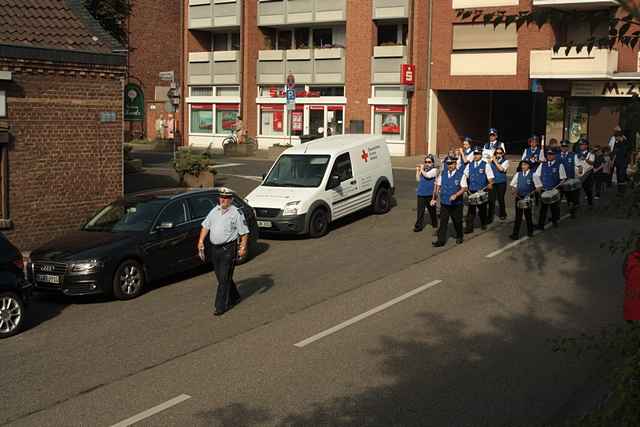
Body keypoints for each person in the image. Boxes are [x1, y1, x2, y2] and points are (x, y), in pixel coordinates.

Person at [197, 188, 250, 316]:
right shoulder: (214, 210)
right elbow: (205, 226)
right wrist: (200, 241)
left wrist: (243, 248)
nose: (223, 200)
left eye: (226, 198)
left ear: (231, 200)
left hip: (228, 249)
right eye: (221, 198)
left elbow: (244, 232)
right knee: (221, 277)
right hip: (215, 249)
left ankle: (220, 306)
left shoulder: (236, 213)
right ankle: (235, 296)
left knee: (223, 279)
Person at [432, 157, 467, 247]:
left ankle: (459, 236)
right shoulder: (443, 174)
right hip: (444, 203)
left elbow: (464, 188)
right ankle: (441, 240)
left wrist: (456, 195)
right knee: (443, 222)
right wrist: (434, 198)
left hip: (456, 204)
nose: (450, 166)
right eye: (448, 164)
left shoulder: (461, 175)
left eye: (452, 164)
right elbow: (438, 187)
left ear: (455, 164)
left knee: (457, 221)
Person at [535, 149, 567, 229]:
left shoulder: (559, 165)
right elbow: (536, 175)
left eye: (551, 154)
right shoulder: (543, 165)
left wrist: (556, 189)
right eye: (548, 154)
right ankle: (541, 225)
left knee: (554, 208)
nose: (549, 156)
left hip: (554, 191)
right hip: (544, 190)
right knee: (543, 209)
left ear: (555, 155)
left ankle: (554, 221)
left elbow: (563, 179)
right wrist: (538, 186)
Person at [464, 148, 494, 233]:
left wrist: (490, 183)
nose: (476, 155)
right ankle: (469, 228)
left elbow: (490, 177)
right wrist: (465, 185)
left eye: (478, 154)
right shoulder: (469, 165)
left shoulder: (486, 165)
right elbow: (465, 175)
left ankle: (483, 223)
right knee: (471, 210)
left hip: (481, 191)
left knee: (482, 209)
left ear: (481, 155)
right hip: (471, 190)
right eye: (475, 154)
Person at [509, 160, 536, 240]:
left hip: (528, 197)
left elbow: (539, 187)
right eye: (522, 165)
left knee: (528, 215)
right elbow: (512, 184)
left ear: (529, 166)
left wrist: (531, 194)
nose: (523, 166)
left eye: (525, 165)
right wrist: (514, 190)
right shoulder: (518, 174)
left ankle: (530, 232)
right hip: (519, 197)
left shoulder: (533, 175)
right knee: (518, 216)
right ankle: (515, 234)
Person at [414, 154, 439, 233]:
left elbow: (427, 176)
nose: (427, 163)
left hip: (430, 194)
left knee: (432, 210)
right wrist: (418, 170)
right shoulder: (423, 169)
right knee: (420, 211)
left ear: (432, 163)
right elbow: (418, 179)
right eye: (426, 162)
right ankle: (418, 226)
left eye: (429, 162)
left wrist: (421, 169)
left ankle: (434, 222)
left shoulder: (434, 170)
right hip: (421, 193)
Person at [559, 140, 580, 218]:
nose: (564, 148)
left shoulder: (573, 155)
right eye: (562, 147)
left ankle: (572, 212)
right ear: (560, 147)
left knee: (570, 199)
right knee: (558, 199)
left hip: (569, 180)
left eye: (565, 147)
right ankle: (555, 216)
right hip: (559, 181)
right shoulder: (556, 156)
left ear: (568, 147)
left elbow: (578, 165)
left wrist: (580, 169)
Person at [488, 147, 509, 222]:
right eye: (497, 153)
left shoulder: (506, 161)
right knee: (491, 200)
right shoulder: (491, 162)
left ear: (503, 154)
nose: (498, 154)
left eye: (500, 153)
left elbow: (501, 169)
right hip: (493, 182)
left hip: (501, 183)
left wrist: (494, 161)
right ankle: (490, 216)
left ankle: (503, 214)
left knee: (501, 199)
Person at [576, 138, 595, 206]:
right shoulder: (577, 153)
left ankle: (590, 203)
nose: (581, 146)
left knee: (588, 189)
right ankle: (577, 203)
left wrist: (585, 159)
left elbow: (592, 163)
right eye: (580, 145)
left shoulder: (590, 153)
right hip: (580, 173)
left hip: (588, 174)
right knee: (578, 189)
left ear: (586, 145)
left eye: (582, 144)